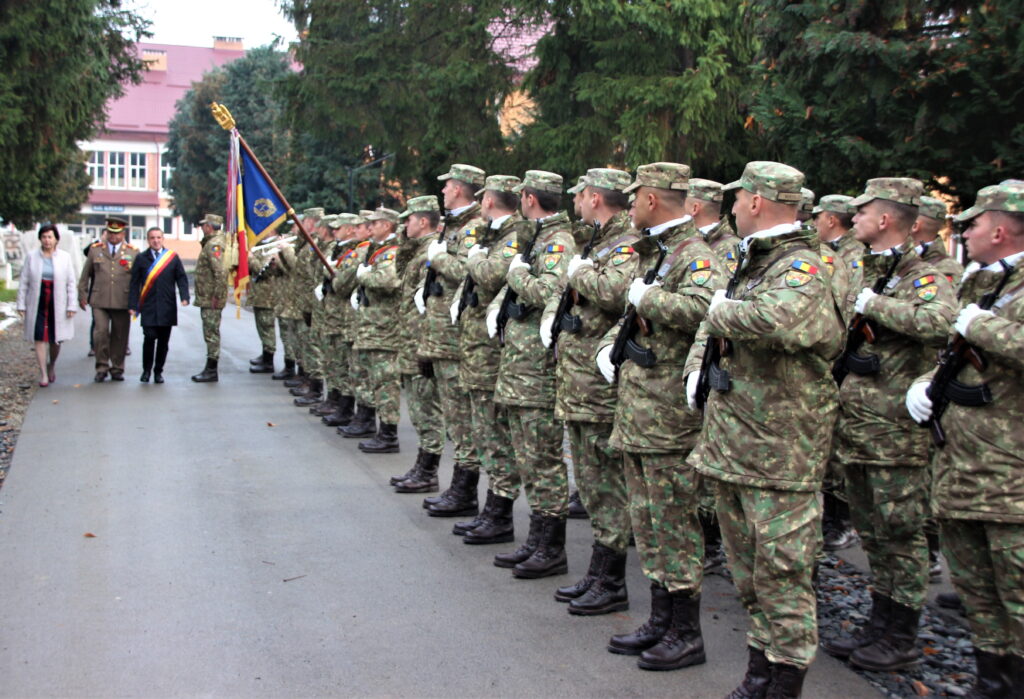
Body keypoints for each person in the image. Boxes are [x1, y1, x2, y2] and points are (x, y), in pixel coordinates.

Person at [686, 161, 844, 696]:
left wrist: (718, 308)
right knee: (749, 574)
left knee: (784, 574)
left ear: (756, 201)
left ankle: (785, 681)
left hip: (781, 451)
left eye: (737, 199)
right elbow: (718, 329)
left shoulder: (803, 263)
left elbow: (777, 319)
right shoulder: (755, 262)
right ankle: (759, 672)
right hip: (734, 442)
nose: (730, 207)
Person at [821, 178, 956, 672]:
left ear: (885, 219)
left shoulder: (922, 273)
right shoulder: (864, 267)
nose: (852, 217)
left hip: (895, 431)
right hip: (856, 427)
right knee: (874, 532)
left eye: (863, 211)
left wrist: (876, 307)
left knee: (900, 533)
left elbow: (944, 321)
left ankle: (900, 633)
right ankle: (878, 624)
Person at [595, 163, 721, 668]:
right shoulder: (662, 253)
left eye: (635, 198)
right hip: (641, 413)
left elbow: (705, 310)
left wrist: (652, 298)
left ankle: (686, 632)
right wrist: (610, 346)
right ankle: (660, 617)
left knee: (673, 522)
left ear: (651, 198)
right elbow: (632, 317)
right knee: (647, 521)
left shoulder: (696, 256)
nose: (629, 208)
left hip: (668, 417)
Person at [906, 181, 1024, 697]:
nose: (965, 231)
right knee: (978, 591)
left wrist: (982, 327)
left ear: (999, 229)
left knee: (1017, 592)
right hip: (965, 467)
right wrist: (928, 384)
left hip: (1012, 477)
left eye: (972, 223)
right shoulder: (989, 283)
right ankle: (991, 681)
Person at [543, 167, 638, 615]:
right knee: (593, 484)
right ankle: (599, 573)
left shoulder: (626, 242)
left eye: (580, 194)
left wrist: (578, 273)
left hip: (597, 389)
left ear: (595, 197)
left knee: (607, 486)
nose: (575, 201)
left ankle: (612, 580)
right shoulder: (596, 239)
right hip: (579, 385)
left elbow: (616, 292)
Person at [486, 169, 576, 578]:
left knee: (542, 460)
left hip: (537, 371)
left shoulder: (557, 240)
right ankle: (537, 540)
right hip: (520, 369)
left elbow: (548, 290)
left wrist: (516, 273)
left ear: (529, 197)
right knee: (528, 458)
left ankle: (552, 548)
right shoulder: (537, 235)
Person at [419, 164, 488, 517]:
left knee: (462, 420)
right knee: (455, 416)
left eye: (447, 186)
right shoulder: (455, 224)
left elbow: (464, 270)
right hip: (443, 336)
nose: (443, 191)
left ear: (460, 189)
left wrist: (438, 256)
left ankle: (465, 491)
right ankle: (460, 487)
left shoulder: (474, 226)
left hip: (456, 338)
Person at [16, 224, 77, 386]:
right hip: (38, 300)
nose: (47, 240)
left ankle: (52, 365)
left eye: (50, 237)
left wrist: (72, 305)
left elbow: (71, 283)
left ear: (56, 239)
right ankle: (43, 373)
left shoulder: (64, 257)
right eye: (44, 237)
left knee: (55, 340)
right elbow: (24, 281)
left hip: (57, 301)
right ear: (40, 239)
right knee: (39, 337)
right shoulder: (32, 257)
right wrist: (21, 304)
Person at [78, 216, 137, 382]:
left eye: (117, 233)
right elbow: (85, 275)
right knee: (100, 333)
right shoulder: (95, 250)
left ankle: (117, 367)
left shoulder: (133, 252)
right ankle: (101, 366)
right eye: (111, 233)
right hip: (99, 299)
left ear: (123, 234)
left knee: (120, 336)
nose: (113, 237)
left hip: (122, 300)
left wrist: (136, 301)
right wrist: (82, 294)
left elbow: (137, 279)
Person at [128, 227, 190, 383]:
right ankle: (146, 371)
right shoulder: (141, 258)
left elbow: (181, 278)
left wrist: (184, 296)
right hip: (148, 306)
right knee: (149, 337)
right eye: (152, 238)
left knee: (163, 342)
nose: (155, 240)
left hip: (167, 306)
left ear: (163, 239)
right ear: (148, 240)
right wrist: (132, 305)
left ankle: (158, 372)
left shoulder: (172, 258)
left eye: (158, 237)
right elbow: (134, 283)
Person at [191, 214, 228, 383]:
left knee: (211, 333)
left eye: (204, 225)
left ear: (210, 227)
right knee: (210, 332)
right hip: (207, 296)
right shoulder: (212, 243)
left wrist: (217, 296)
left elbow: (220, 272)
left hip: (211, 297)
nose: (202, 228)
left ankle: (212, 369)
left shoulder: (214, 245)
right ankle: (210, 367)